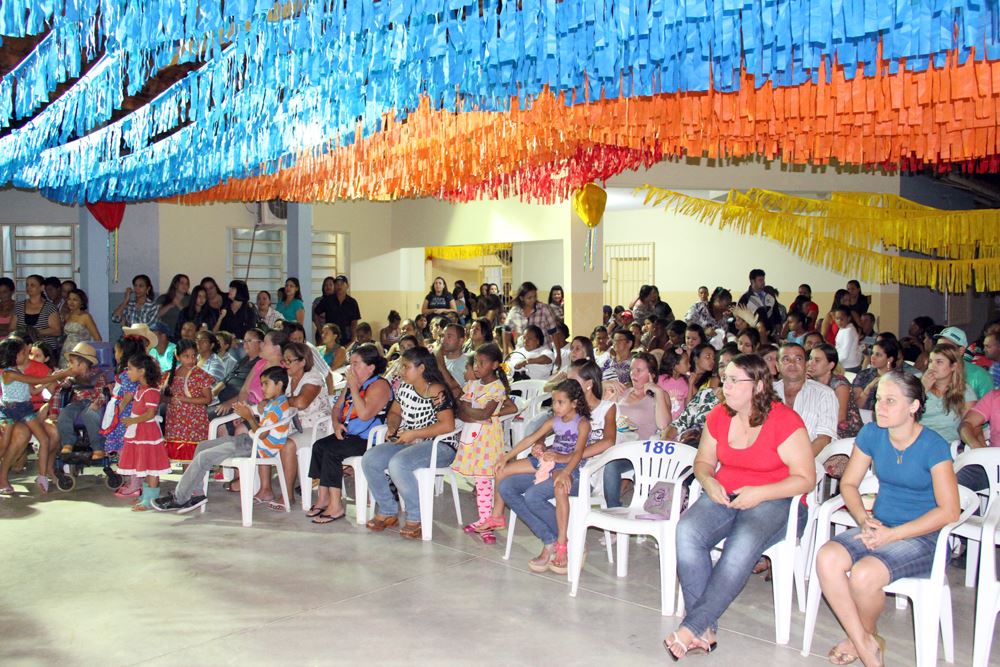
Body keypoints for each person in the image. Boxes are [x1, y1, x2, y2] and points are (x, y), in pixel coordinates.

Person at [664, 354, 814, 659]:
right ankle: (704, 628)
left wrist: (760, 493)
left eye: (734, 381)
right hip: (727, 494)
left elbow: (805, 479)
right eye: (725, 378)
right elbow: (703, 462)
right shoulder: (719, 416)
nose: (725, 387)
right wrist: (708, 482)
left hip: (777, 498)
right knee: (687, 532)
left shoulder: (784, 420)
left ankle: (692, 627)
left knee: (740, 546)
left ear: (758, 386)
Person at [815, 371, 959, 667]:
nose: (879, 406)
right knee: (827, 558)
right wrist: (864, 520)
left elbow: (949, 511)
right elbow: (849, 484)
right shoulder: (872, 434)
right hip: (880, 525)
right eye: (879, 399)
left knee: (865, 574)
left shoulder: (934, 445)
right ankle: (865, 641)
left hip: (923, 535)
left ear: (914, 406)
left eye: (890, 401)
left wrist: (891, 535)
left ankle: (863, 641)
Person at [154, 366, 292, 514]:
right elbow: (263, 426)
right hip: (249, 442)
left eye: (266, 384)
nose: (262, 388)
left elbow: (262, 434)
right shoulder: (274, 402)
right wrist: (252, 412)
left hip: (256, 448)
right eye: (262, 383)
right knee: (202, 446)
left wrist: (249, 417)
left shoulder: (278, 406)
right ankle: (196, 494)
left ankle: (179, 498)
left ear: (279, 385)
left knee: (203, 457)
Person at [361, 347, 457, 539]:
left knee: (398, 463)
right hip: (410, 442)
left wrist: (414, 434)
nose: (401, 371)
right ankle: (388, 510)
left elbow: (447, 425)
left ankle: (416, 517)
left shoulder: (436, 390)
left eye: (406, 367)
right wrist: (392, 427)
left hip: (440, 446)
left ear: (421, 368)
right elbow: (395, 413)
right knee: (370, 459)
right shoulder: (404, 387)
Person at [498, 380, 591, 573]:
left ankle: (561, 544)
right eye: (553, 402)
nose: (555, 407)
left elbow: (579, 452)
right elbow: (531, 438)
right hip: (548, 463)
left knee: (533, 496)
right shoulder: (554, 421)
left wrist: (565, 472)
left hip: (570, 468)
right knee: (506, 486)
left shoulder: (582, 423)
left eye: (560, 402)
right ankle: (551, 539)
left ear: (574, 403)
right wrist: (506, 457)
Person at [306, 344, 392, 522]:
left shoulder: (380, 386)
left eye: (356, 364)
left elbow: (365, 414)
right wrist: (336, 424)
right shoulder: (352, 383)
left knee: (332, 453)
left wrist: (353, 386)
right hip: (348, 433)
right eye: (350, 364)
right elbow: (336, 407)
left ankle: (336, 506)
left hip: (368, 439)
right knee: (319, 446)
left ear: (370, 367)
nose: (350, 369)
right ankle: (323, 498)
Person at [453, 343, 512, 543]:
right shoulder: (472, 385)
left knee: (487, 480)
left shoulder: (497, 388)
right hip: (473, 438)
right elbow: (461, 411)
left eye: (482, 363)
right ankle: (484, 520)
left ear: (495, 365)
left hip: (488, 441)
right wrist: (475, 414)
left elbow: (486, 413)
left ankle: (488, 523)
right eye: (476, 362)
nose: (477, 366)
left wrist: (473, 412)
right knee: (481, 482)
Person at [603, 352, 672, 508]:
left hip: (639, 450)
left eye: (639, 370)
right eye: (632, 369)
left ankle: (613, 510)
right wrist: (604, 386)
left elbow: (663, 425)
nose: (633, 374)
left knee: (611, 465)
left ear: (651, 374)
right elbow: (601, 411)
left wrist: (658, 392)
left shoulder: (658, 396)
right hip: (616, 443)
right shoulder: (624, 392)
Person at [0, 337, 69, 492]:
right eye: (25, 353)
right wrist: (62, 374)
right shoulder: (8, 374)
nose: (27, 356)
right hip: (9, 411)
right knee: (4, 445)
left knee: (44, 439)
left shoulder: (18, 372)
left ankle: (42, 475)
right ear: (15, 355)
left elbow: (32, 389)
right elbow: (38, 379)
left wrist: (50, 380)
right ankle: (3, 477)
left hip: (25, 409)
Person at [103, 330, 153, 496]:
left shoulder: (127, 374)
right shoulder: (128, 373)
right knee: (126, 449)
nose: (115, 355)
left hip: (125, 416)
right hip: (125, 413)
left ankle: (134, 484)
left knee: (126, 450)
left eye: (116, 351)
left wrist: (118, 413)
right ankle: (133, 482)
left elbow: (129, 395)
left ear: (123, 352)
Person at [116, 354, 168, 511]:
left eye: (130, 369)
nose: (128, 372)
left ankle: (151, 500)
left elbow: (150, 414)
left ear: (142, 371)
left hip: (148, 434)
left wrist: (132, 421)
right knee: (145, 465)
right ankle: (146, 496)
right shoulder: (140, 389)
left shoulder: (151, 391)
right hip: (140, 433)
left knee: (152, 467)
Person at [54, 343, 107, 461]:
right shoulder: (72, 377)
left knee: (89, 414)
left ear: (82, 364)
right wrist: (60, 376)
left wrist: (96, 403)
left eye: (71, 362)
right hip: (77, 402)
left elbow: (102, 392)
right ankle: (68, 443)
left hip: (93, 402)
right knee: (65, 413)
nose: (69, 365)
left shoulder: (98, 375)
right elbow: (61, 386)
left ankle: (98, 447)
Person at [162, 339, 214, 462]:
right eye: (186, 356)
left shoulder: (200, 375)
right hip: (175, 421)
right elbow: (161, 396)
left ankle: (195, 481)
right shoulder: (170, 375)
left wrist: (184, 399)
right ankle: (187, 480)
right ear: (177, 356)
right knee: (182, 456)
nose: (191, 360)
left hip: (194, 421)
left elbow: (208, 399)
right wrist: (170, 400)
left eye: (194, 356)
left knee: (193, 456)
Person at [920, 343, 976, 443]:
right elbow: (904, 416)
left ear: (953, 366)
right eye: (930, 361)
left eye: (939, 362)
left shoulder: (965, 391)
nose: (932, 366)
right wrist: (922, 390)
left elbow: (970, 425)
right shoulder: (917, 386)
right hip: (918, 443)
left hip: (949, 446)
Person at [808, 344, 863, 440]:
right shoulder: (811, 382)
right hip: (819, 428)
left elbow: (839, 418)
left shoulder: (840, 385)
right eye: (810, 358)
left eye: (817, 360)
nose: (811, 363)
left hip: (845, 435)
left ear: (830, 365)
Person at [935, 326, 993, 398]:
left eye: (946, 347)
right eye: (938, 346)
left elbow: (990, 405)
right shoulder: (933, 370)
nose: (940, 351)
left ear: (961, 350)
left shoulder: (979, 375)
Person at [15, 274, 63, 352]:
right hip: (23, 350)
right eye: (27, 285)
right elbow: (12, 328)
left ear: (42, 288)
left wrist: (33, 332)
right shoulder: (19, 306)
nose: (28, 287)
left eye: (32, 285)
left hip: (46, 350)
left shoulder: (50, 307)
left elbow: (56, 330)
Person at [504, 281, 558, 346]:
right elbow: (506, 331)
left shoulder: (543, 309)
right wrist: (506, 351)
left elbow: (554, 332)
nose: (533, 300)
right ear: (521, 298)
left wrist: (558, 354)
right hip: (523, 350)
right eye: (529, 298)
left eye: (535, 296)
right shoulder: (515, 312)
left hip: (543, 349)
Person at [58, 288, 102, 368]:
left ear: (81, 302)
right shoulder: (67, 316)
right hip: (66, 351)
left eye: (75, 299)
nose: (71, 302)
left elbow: (98, 338)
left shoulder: (86, 317)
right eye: (69, 299)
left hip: (80, 353)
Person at [853, 339, 900, 411]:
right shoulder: (863, 375)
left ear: (890, 359)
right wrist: (868, 388)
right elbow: (856, 406)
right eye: (872, 353)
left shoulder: (899, 380)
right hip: (863, 416)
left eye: (878, 355)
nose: (872, 357)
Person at [314, 274, 361, 346]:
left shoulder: (352, 302)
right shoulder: (328, 300)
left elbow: (354, 322)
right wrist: (321, 332)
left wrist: (353, 338)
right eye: (337, 284)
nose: (339, 286)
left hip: (346, 337)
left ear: (347, 286)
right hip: (330, 337)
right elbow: (316, 314)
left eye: (342, 284)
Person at [657, 347, 691, 419]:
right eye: (686, 362)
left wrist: (691, 384)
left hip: (678, 423)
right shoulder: (660, 380)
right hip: (663, 421)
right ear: (674, 364)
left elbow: (687, 405)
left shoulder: (685, 382)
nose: (689, 365)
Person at [156, 273, 190, 338]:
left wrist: (179, 305)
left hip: (183, 335)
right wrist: (170, 305)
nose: (184, 286)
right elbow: (156, 314)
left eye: (187, 284)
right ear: (175, 284)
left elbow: (190, 317)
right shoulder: (163, 298)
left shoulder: (190, 299)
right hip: (165, 334)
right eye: (182, 283)